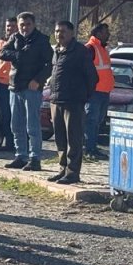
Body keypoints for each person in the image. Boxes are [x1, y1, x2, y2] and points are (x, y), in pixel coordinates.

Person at [0, 11, 52, 171]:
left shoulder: (42, 40)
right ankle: (20, 155)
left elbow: (50, 64)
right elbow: (2, 53)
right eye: (22, 24)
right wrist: (18, 55)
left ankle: (35, 158)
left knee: (33, 125)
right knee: (16, 124)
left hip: (32, 88)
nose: (25, 27)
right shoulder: (15, 38)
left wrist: (38, 80)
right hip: (15, 86)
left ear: (33, 24)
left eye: (28, 24)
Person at [48, 20, 97, 184]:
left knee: (73, 139)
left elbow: (92, 77)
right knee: (60, 139)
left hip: (73, 102)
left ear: (72, 33)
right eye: (56, 31)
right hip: (56, 100)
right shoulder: (57, 50)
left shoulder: (80, 51)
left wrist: (83, 97)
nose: (59, 34)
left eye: (63, 31)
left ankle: (73, 172)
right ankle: (63, 169)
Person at [84, 22, 114, 160]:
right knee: (91, 121)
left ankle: (92, 148)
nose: (108, 34)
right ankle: (89, 149)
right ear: (98, 33)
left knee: (96, 122)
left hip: (103, 92)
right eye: (106, 32)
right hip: (94, 92)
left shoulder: (101, 48)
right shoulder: (91, 48)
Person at [0, 17, 18, 152]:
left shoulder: (21, 42)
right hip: (2, 85)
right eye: (8, 26)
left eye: (13, 26)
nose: (10, 28)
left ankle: (15, 143)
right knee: (5, 115)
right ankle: (8, 143)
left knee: (16, 115)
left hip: (17, 85)